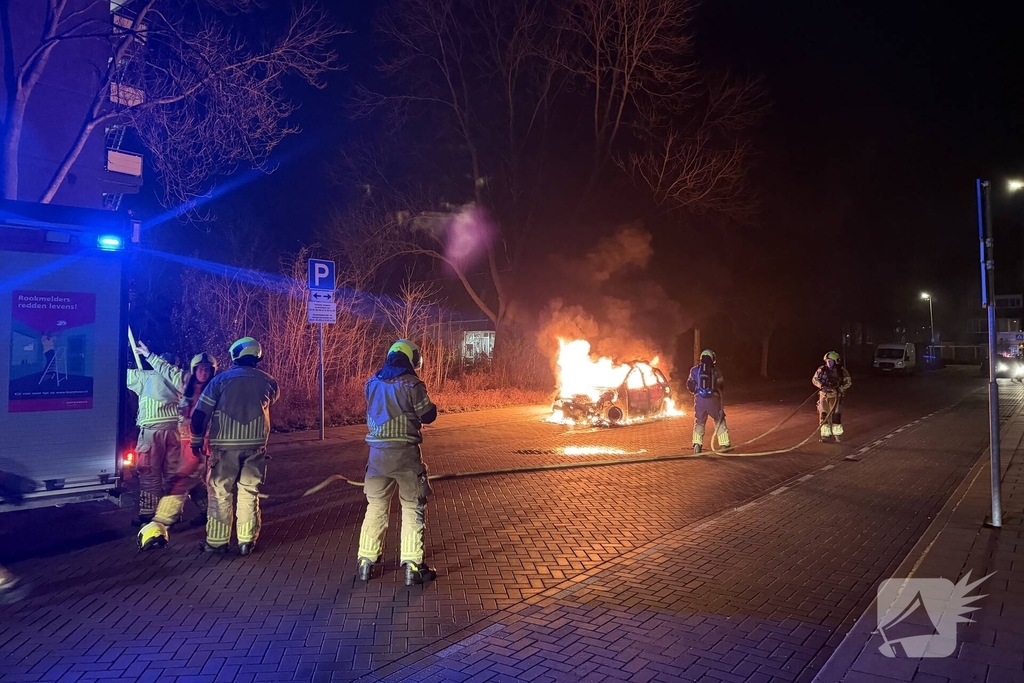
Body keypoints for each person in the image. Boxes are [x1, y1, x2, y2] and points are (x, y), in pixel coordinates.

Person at [356, 339, 438, 586]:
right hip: (405, 456)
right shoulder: (412, 384)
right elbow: (428, 414)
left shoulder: (371, 383)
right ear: (410, 358)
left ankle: (365, 562)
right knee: (412, 508)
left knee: (376, 506)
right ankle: (414, 567)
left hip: (376, 457)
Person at [190, 337, 279, 556]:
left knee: (221, 494)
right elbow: (270, 401)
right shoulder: (269, 381)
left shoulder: (220, 381)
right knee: (249, 492)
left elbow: (200, 415)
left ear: (235, 355)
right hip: (256, 447)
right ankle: (246, 541)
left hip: (225, 448)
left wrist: (196, 441)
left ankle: (217, 543)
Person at [136, 353, 219, 552]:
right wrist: (148, 354)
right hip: (183, 440)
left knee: (179, 483)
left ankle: (158, 526)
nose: (203, 372)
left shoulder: (217, 389)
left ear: (213, 372)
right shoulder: (186, 382)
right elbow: (167, 370)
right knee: (190, 480)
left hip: (198, 443)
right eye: (200, 369)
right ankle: (207, 510)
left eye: (207, 370)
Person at [127, 341, 184, 525]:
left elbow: (119, 375)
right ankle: (173, 513)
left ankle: (148, 514)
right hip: (175, 431)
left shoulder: (146, 377)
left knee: (150, 473)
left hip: (152, 432)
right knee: (172, 474)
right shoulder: (179, 379)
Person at [686, 349, 730, 454]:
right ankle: (724, 444)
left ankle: (697, 445)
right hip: (713, 400)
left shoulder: (694, 370)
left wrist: (697, 391)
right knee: (719, 420)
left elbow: (689, 385)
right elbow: (721, 385)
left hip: (699, 400)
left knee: (699, 422)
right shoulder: (716, 371)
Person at [813, 351, 853, 442]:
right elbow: (815, 379)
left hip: (836, 396)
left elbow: (848, 382)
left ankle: (838, 435)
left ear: (836, 361)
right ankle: (825, 436)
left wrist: (840, 389)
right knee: (823, 416)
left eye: (830, 361)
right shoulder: (821, 370)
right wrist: (821, 386)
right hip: (823, 396)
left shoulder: (842, 372)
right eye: (827, 361)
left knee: (836, 416)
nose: (828, 363)